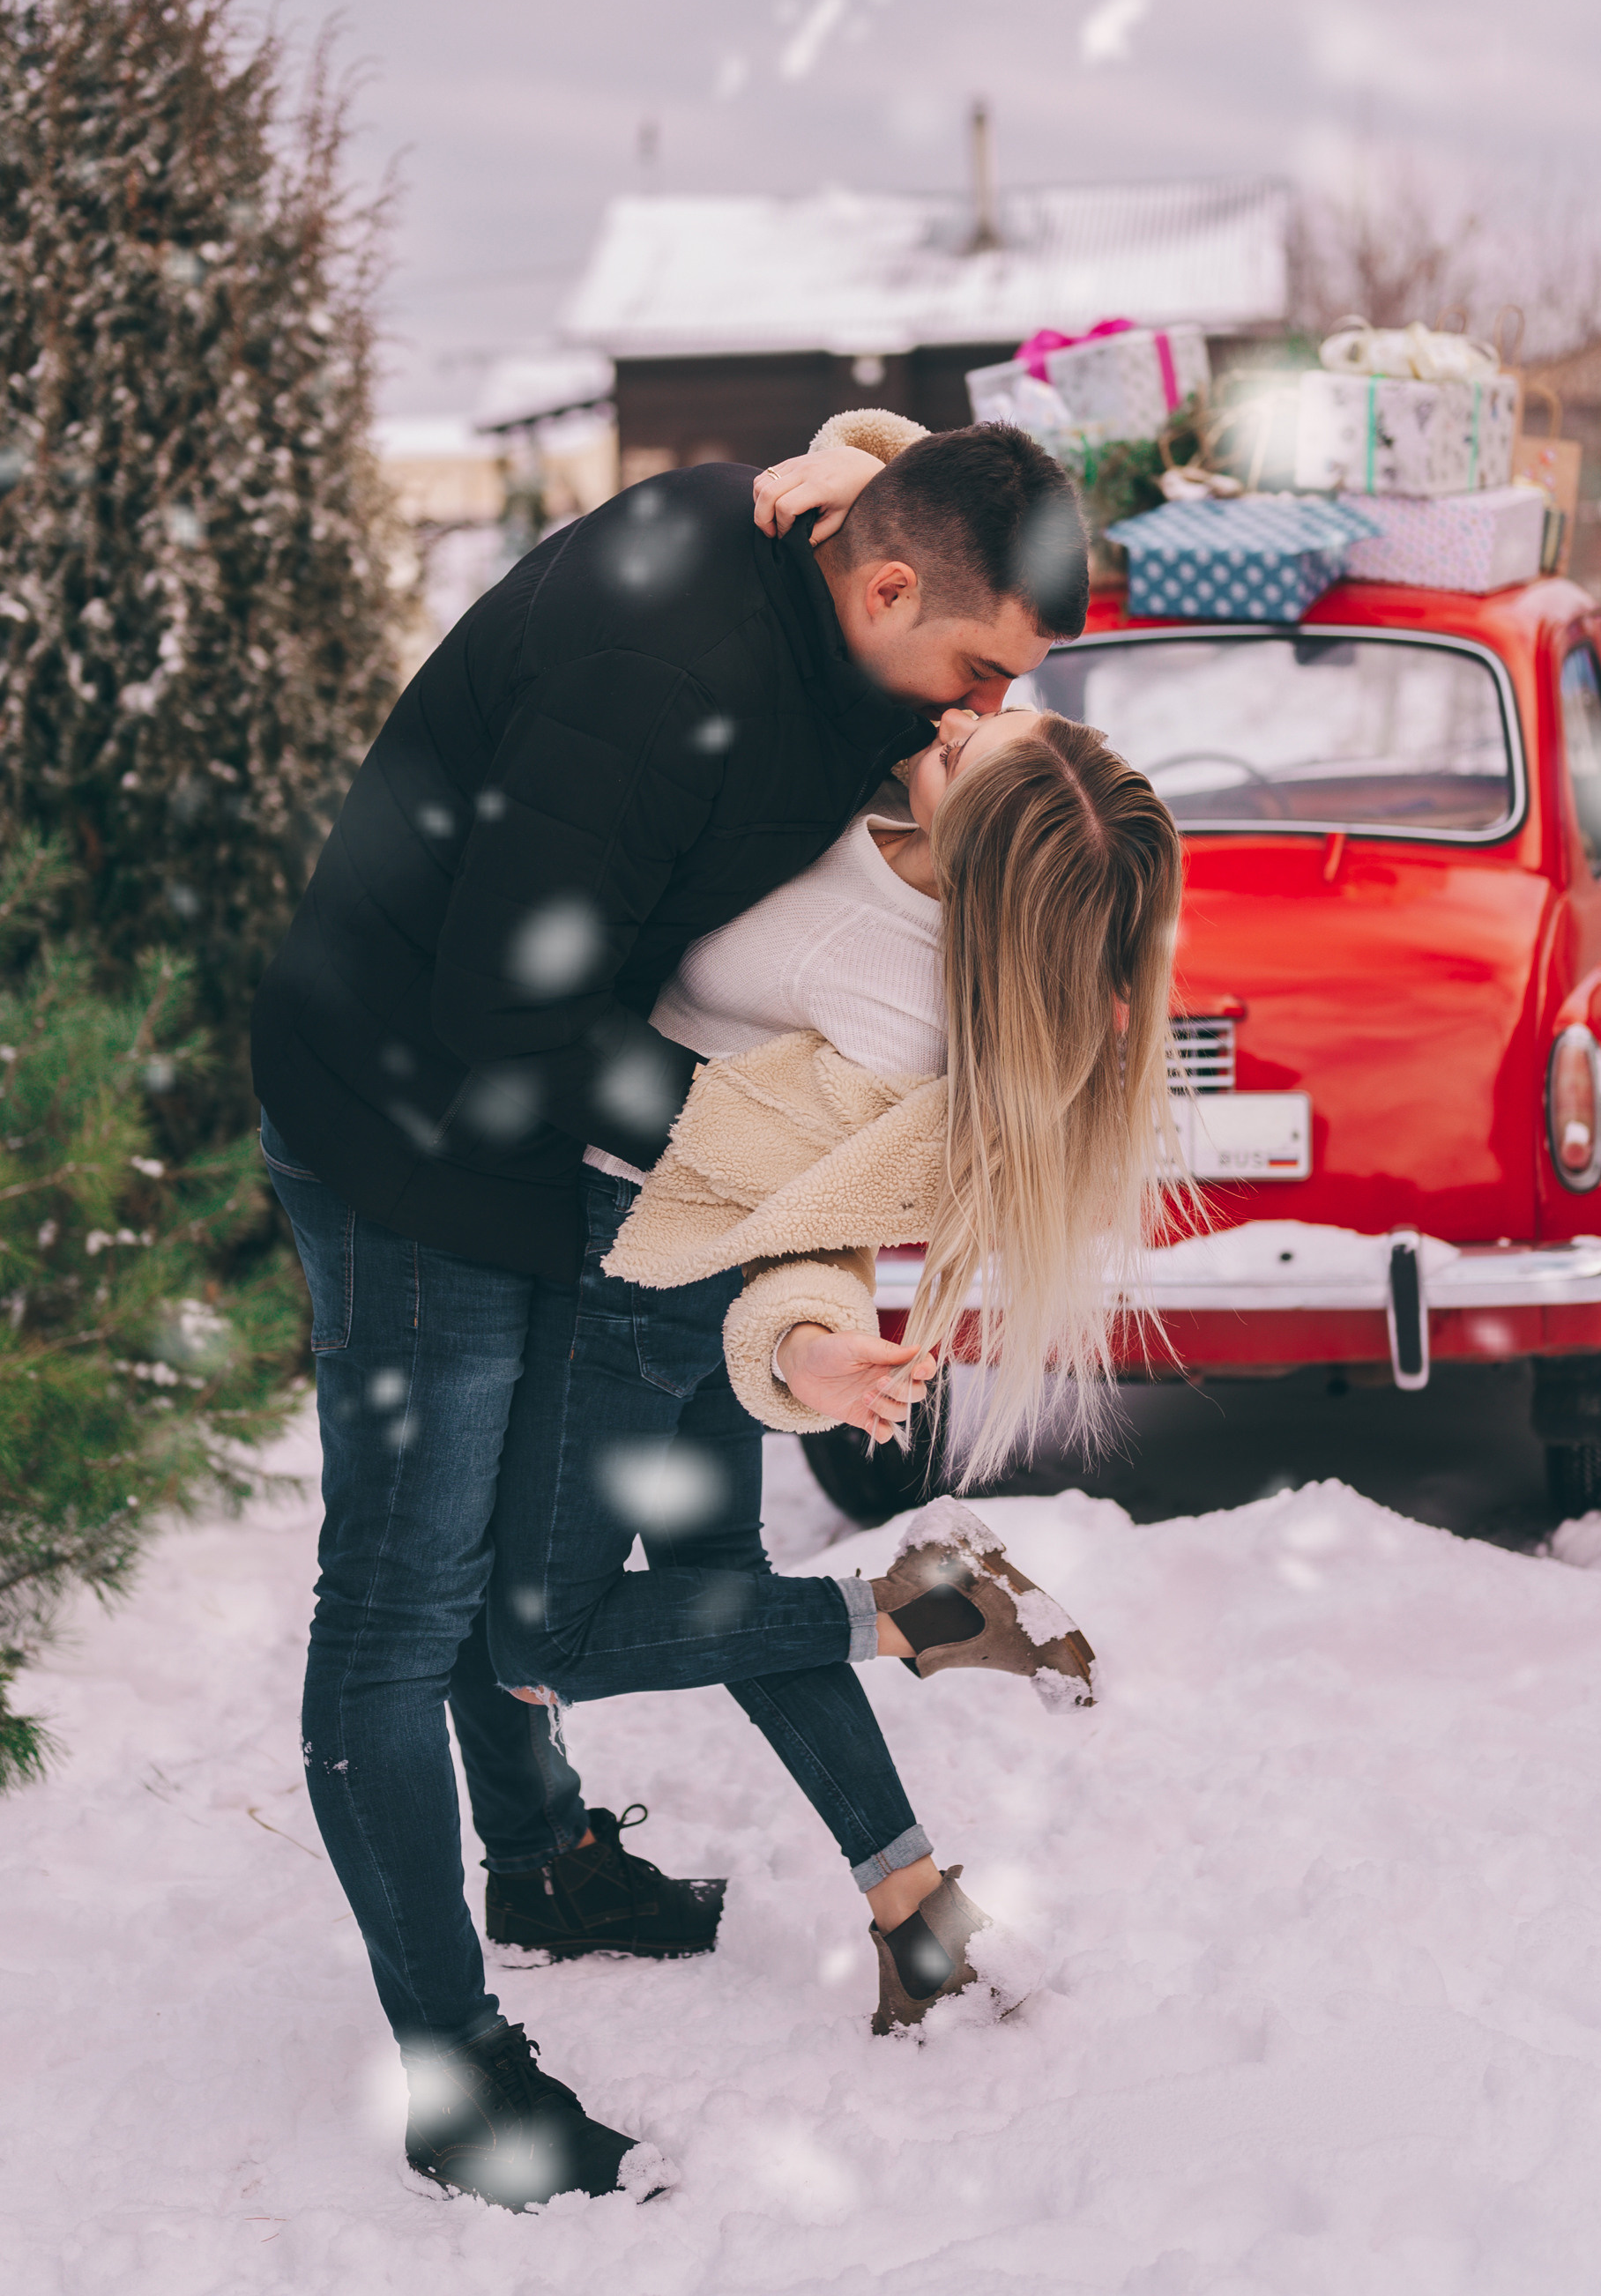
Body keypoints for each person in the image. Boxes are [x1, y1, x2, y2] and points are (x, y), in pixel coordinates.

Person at [250, 416, 1088, 2208]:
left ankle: (544, 1858)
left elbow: (872, 489)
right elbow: (499, 1012)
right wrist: (751, 1169)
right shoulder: (666, 671)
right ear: (878, 586)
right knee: (412, 1603)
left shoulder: (819, 600)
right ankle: (457, 2078)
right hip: (407, 1121)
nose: (975, 712)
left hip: (543, 1122)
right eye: (977, 668)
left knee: (517, 1572)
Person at [487, 697, 1188, 2051]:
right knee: (720, 1596)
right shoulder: (880, 799)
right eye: (986, 717)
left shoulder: (902, 1007)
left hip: (631, 1255)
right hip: (636, 1247)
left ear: (973, 847)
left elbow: (786, 1203)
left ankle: (916, 1610)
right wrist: (839, 466)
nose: (953, 718)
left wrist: (807, 1345)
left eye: (961, 753)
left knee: (536, 1639)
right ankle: (919, 1914)